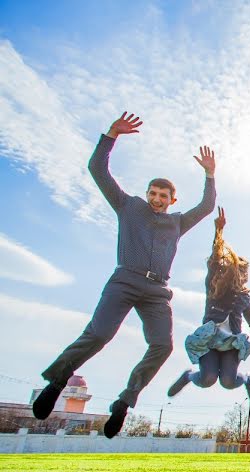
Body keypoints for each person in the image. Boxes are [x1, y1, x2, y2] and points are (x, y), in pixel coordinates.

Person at [31, 112, 216, 437]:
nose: (157, 199)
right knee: (99, 334)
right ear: (147, 195)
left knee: (162, 345)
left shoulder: (177, 222)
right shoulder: (128, 206)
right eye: (153, 194)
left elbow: (206, 206)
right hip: (125, 280)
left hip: (158, 290)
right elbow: (98, 171)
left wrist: (210, 175)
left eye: (163, 196)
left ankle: (124, 402)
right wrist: (110, 136)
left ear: (172, 200)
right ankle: (59, 379)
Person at [167, 207, 250, 400]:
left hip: (231, 344)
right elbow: (214, 261)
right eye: (238, 272)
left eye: (244, 274)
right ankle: (189, 376)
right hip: (209, 341)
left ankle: (246, 379)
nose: (241, 277)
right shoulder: (215, 289)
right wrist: (218, 232)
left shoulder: (244, 297)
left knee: (228, 382)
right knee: (208, 379)